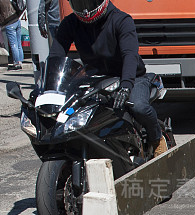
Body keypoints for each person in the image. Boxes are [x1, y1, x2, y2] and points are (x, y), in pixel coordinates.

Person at [49, 0, 167, 155]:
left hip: (132, 77)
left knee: (138, 106)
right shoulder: (70, 23)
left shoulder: (121, 20)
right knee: (72, 112)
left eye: (88, 2)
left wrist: (126, 86)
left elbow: (129, 55)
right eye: (79, 2)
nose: (85, 9)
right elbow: (55, 56)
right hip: (96, 79)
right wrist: (50, 87)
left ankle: (157, 139)